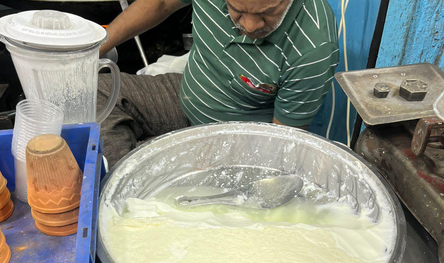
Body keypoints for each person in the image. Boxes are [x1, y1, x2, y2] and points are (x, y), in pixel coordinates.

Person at [98, 0, 339, 167]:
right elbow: (160, 3)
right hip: (187, 96)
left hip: (240, 145)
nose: (250, 26)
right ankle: (128, 184)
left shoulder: (314, 48)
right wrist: (94, 49)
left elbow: (279, 148)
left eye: (269, 11)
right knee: (94, 92)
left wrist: (216, 163)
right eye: (237, 9)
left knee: (203, 199)